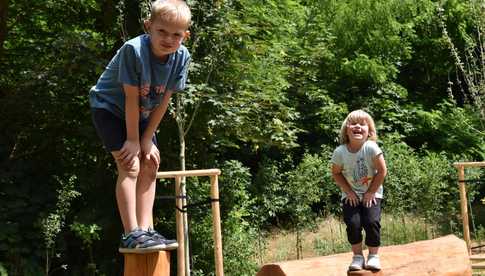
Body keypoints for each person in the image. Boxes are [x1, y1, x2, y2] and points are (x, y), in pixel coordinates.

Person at [89, 0, 191, 253]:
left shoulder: (181, 58)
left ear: (185, 36)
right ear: (148, 26)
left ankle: (146, 231)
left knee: (150, 162)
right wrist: (134, 140)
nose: (168, 39)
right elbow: (130, 98)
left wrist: (147, 139)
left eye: (176, 34)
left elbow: (164, 101)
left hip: (144, 114)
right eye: (162, 31)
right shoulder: (133, 50)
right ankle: (131, 233)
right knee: (130, 164)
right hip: (110, 108)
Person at [331, 110, 387, 271]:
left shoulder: (371, 148)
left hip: (372, 192)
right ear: (346, 130)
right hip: (351, 194)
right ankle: (357, 256)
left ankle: (373, 255)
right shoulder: (340, 152)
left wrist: (370, 192)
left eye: (362, 124)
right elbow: (336, 173)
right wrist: (348, 191)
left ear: (369, 131)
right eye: (353, 123)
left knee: (371, 222)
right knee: (353, 223)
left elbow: (382, 171)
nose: (357, 126)